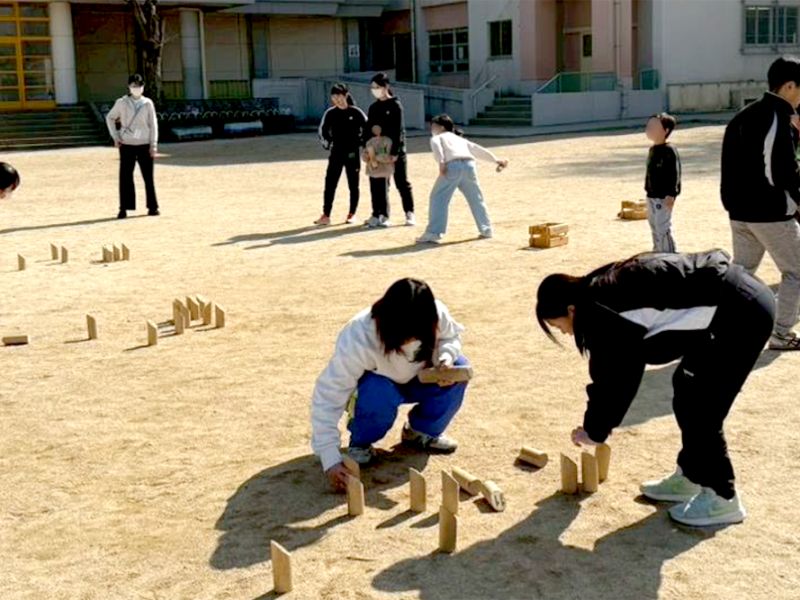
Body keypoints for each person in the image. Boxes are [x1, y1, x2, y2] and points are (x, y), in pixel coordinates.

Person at [536, 250, 775, 527]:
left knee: (702, 408)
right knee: (686, 392)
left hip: (741, 315)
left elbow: (615, 378)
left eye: (558, 325)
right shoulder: (599, 293)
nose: (564, 333)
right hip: (728, 308)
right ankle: (690, 475)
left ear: (571, 310)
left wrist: (594, 430)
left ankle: (723, 497)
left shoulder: (602, 310)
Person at [311, 278, 470, 491]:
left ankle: (422, 432)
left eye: (419, 333)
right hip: (377, 387)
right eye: (405, 334)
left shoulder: (435, 313)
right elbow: (329, 394)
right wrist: (330, 458)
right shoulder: (359, 335)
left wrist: (445, 359)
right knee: (378, 390)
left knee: (460, 368)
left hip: (420, 378)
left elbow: (449, 337)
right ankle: (361, 443)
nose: (411, 339)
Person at [721, 56, 800, 350]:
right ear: (790, 86)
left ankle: (722, 328)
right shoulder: (777, 116)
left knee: (740, 274)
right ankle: (781, 333)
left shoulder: (745, 113)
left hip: (740, 212)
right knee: (796, 272)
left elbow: (729, 165)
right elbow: (780, 173)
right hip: (770, 213)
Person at [416, 115, 508, 244]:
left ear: (441, 127)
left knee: (438, 198)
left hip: (451, 166)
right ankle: (487, 230)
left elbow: (437, 147)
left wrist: (441, 163)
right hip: (469, 165)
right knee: (476, 198)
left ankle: (434, 232)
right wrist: (496, 160)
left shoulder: (437, 137)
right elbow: (477, 149)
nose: (431, 128)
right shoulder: (458, 138)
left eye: (433, 126)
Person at [105, 74, 159, 219]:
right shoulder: (121, 102)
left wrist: (153, 145)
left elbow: (153, 124)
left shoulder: (148, 103)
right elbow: (110, 117)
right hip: (127, 144)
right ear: (128, 87)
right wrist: (115, 136)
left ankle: (153, 206)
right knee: (125, 177)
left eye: (139, 86)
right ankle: (124, 208)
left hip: (144, 143)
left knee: (148, 177)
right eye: (134, 86)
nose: (137, 89)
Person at [365, 73, 416, 227]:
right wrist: (367, 150)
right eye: (373, 87)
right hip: (377, 151)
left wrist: (394, 153)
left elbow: (397, 131)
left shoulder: (395, 105)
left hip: (395, 151)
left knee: (401, 181)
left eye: (378, 87)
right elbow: (368, 130)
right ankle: (380, 214)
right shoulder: (373, 108)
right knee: (377, 181)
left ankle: (409, 212)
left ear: (386, 87)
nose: (375, 90)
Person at [316, 83, 368, 226]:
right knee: (330, 183)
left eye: (339, 95)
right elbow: (323, 131)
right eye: (334, 96)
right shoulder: (330, 113)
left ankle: (352, 214)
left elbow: (368, 129)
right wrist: (329, 144)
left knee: (353, 184)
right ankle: (326, 215)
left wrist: (362, 145)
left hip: (352, 154)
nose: (337, 99)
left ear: (345, 95)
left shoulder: (356, 112)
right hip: (336, 153)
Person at [644, 113, 681, 252]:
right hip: (651, 195)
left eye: (654, 127)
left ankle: (669, 256)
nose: (649, 129)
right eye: (648, 126)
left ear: (665, 131)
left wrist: (671, 194)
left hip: (663, 196)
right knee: (654, 226)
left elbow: (674, 173)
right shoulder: (652, 150)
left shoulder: (669, 150)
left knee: (662, 227)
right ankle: (657, 253)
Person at [362, 124, 397, 227]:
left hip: (384, 171)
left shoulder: (387, 141)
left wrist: (375, 157)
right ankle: (375, 214)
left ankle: (385, 215)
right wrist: (366, 156)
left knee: (383, 194)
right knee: (374, 193)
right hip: (372, 171)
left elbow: (388, 156)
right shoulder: (369, 141)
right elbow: (364, 154)